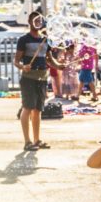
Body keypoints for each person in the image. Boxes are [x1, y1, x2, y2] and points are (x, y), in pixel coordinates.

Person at [14, 11, 64, 151]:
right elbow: (16, 61)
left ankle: (36, 140)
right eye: (35, 20)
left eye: (39, 20)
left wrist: (59, 65)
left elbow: (49, 59)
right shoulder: (23, 40)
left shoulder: (45, 40)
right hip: (29, 78)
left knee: (37, 110)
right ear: (29, 22)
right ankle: (27, 142)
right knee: (27, 108)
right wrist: (23, 66)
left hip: (42, 78)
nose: (37, 22)